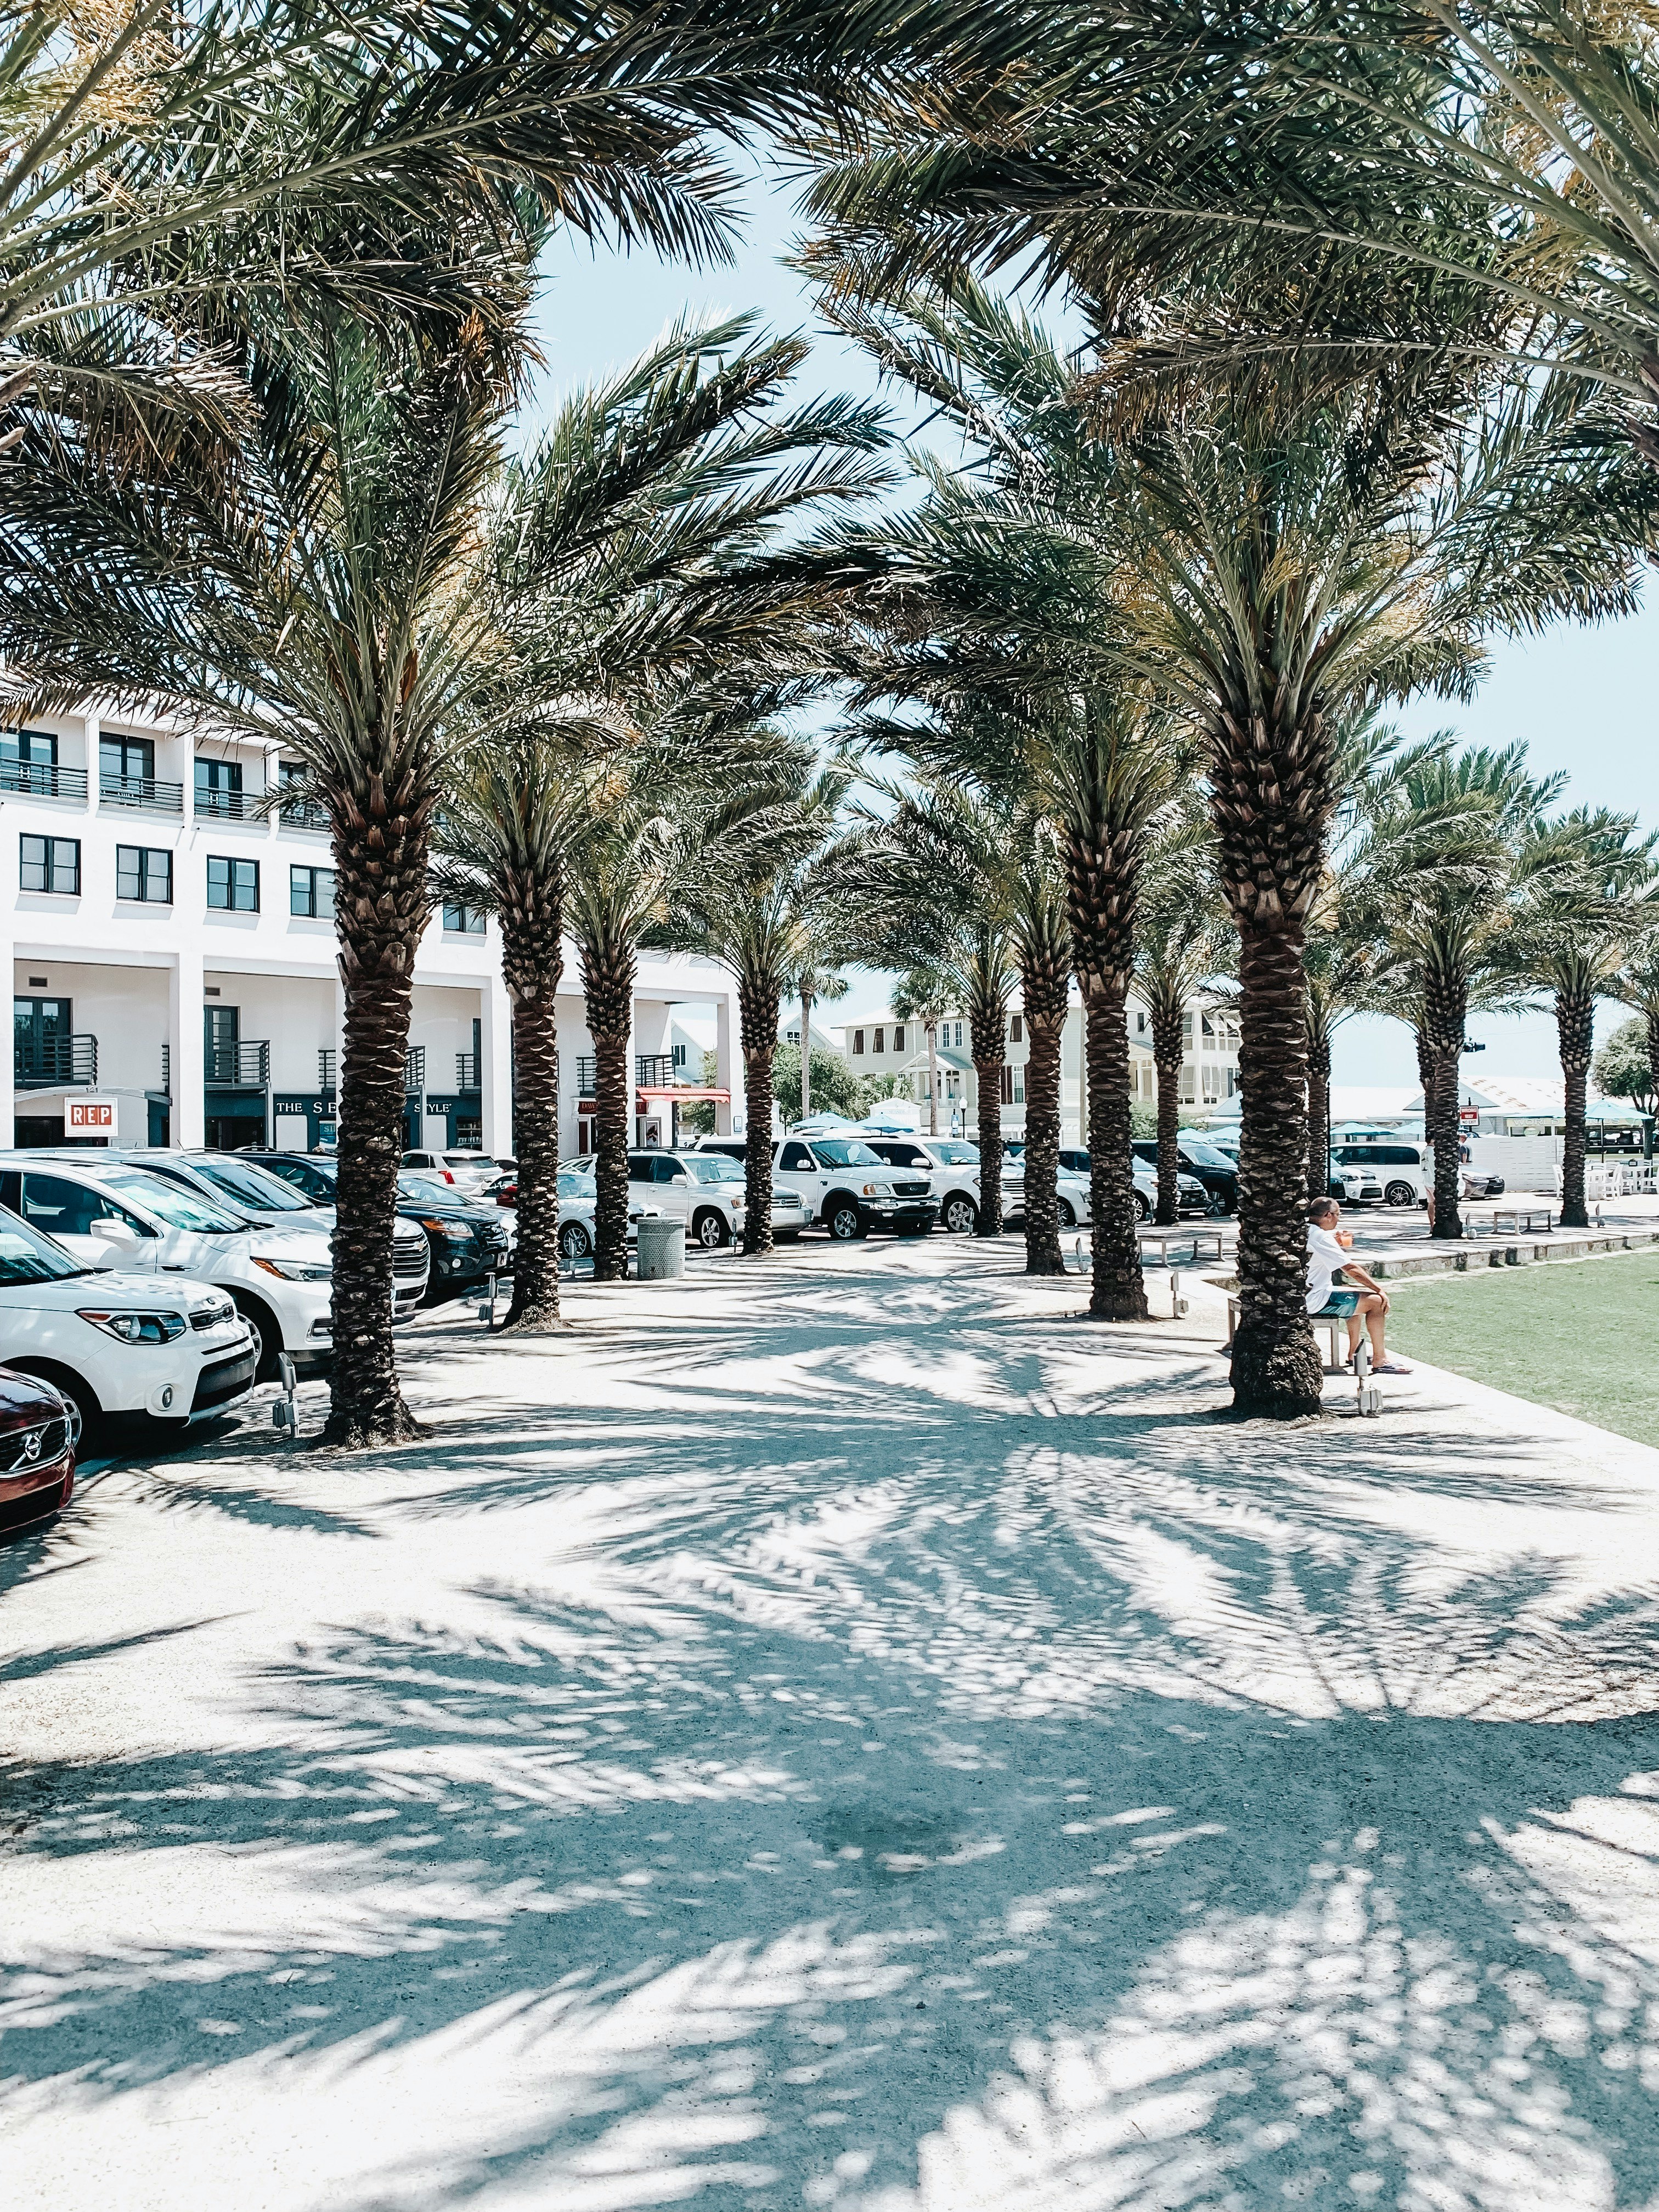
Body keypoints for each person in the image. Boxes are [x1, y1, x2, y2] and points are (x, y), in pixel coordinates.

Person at [1306, 1197, 1412, 1374]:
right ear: (1328, 1215)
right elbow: (1351, 1269)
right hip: (1314, 1299)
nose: (1339, 1219)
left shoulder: (1307, 1230)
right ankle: (1381, 1359)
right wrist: (1379, 1290)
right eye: (1339, 1214)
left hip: (1307, 1293)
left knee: (1354, 1295)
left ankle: (1354, 1353)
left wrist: (1336, 1243)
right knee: (1376, 1301)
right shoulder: (1322, 1237)